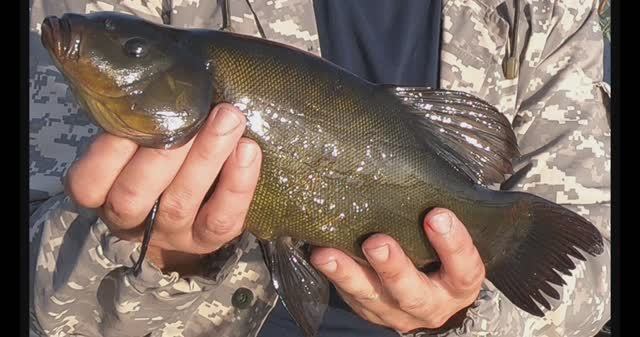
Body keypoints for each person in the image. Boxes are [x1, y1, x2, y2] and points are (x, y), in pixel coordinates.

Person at [28, 1, 611, 336]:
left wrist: (459, 314)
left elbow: (594, 263)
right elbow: (43, 291)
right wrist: (161, 255)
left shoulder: (548, 11)